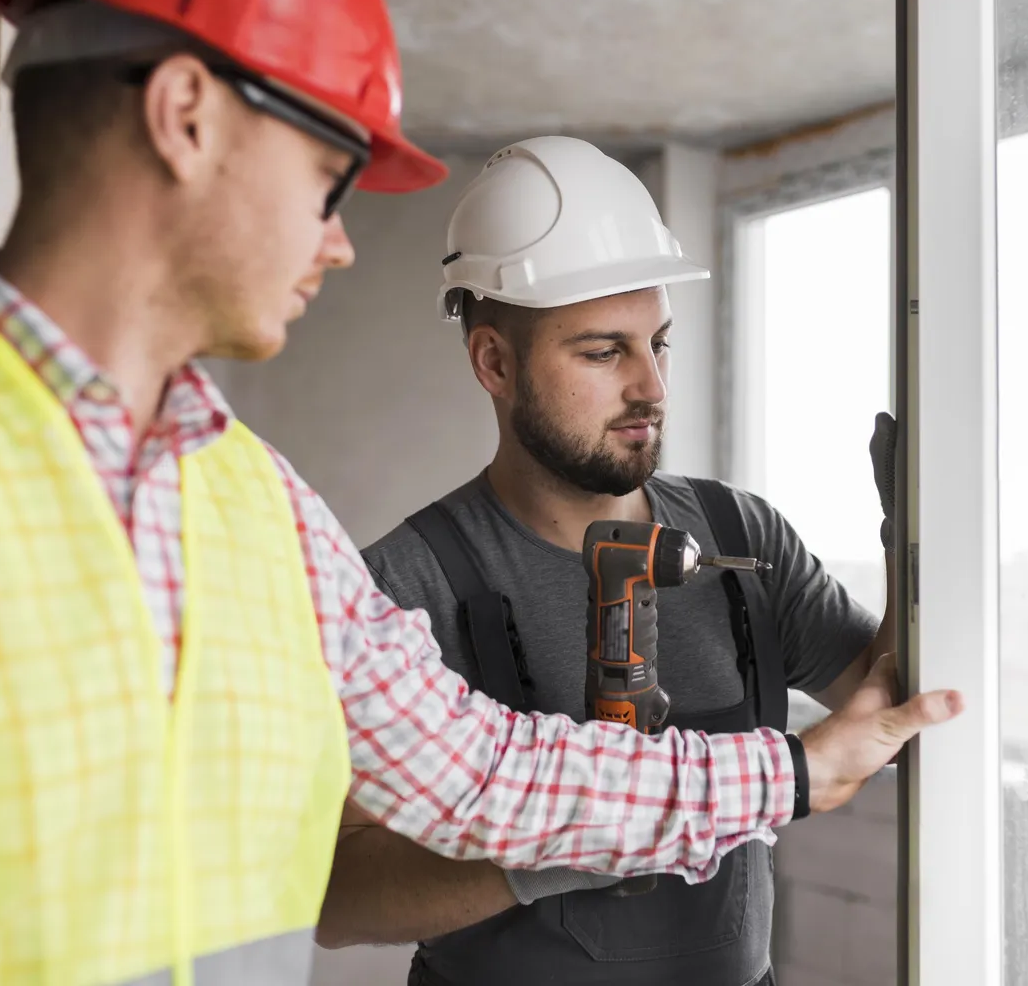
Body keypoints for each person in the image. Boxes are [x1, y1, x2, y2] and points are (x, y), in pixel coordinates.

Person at [0, 0, 960, 982]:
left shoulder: (252, 500)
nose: (339, 244)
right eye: (327, 179)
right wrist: (775, 778)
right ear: (186, 118)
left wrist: (799, 757)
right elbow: (348, 883)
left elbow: (481, 772)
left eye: (656, 343)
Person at [324, 136, 911, 986]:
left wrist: (913, 539)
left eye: (658, 343)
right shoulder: (404, 588)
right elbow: (335, 895)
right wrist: (565, 848)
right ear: (494, 361)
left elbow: (880, 719)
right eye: (604, 353)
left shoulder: (740, 535)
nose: (652, 389)